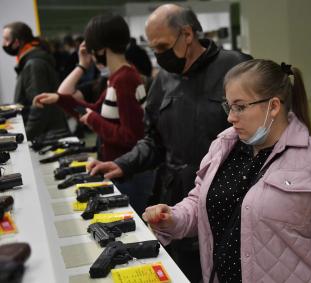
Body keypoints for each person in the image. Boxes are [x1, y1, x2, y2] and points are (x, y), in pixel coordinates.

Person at [142, 59, 311, 283]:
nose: (230, 117)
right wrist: (172, 218)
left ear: (273, 106)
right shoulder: (222, 148)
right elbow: (200, 201)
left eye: (240, 107)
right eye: (228, 106)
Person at [87, 4, 251, 282]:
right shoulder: (163, 80)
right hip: (176, 201)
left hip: (230, 200)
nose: (160, 56)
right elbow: (154, 141)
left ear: (187, 34)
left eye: (163, 46)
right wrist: (121, 163)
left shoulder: (237, 68)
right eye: (154, 49)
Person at [33, 14, 153, 215]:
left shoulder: (124, 79)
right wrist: (59, 99)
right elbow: (94, 110)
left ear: (100, 49)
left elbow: (131, 136)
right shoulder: (118, 77)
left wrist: (92, 119)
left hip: (128, 174)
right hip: (120, 169)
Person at [2, 22, 69, 140]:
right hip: (46, 134)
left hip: (47, 137)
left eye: (6, 39)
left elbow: (39, 106)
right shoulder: (31, 61)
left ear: (17, 42)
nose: (4, 44)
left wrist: (24, 136)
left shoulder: (34, 64)